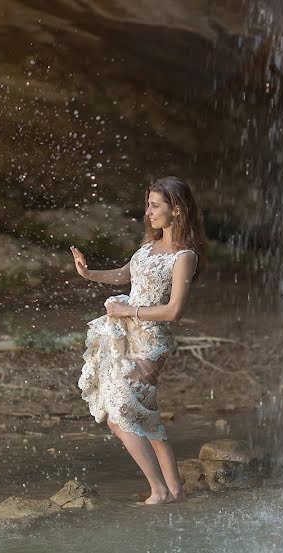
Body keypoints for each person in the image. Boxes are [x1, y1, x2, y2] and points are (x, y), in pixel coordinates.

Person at [71, 176, 206, 504]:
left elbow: (174, 311)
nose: (148, 212)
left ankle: (158, 491)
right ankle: (176, 491)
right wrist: (89, 274)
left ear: (176, 210)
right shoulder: (147, 248)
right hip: (126, 337)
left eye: (155, 205)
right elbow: (125, 274)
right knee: (145, 415)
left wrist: (128, 310)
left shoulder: (184, 256)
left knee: (119, 416)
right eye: (147, 205)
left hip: (151, 343)